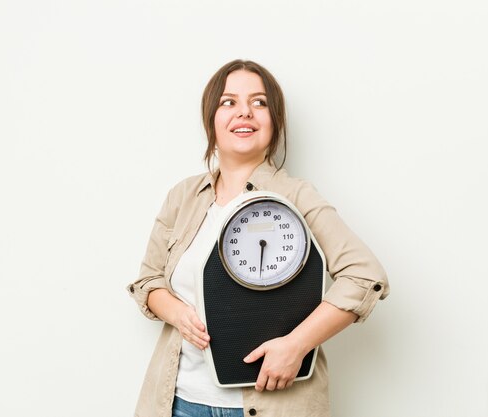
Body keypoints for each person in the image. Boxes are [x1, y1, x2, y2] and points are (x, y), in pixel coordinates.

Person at [127, 59, 390, 417]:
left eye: (259, 102)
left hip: (271, 405)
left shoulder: (297, 196)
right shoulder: (183, 196)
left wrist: (296, 346)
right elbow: (148, 280)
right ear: (211, 120)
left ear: (275, 121)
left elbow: (365, 276)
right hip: (178, 402)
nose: (245, 113)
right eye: (229, 102)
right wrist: (177, 312)